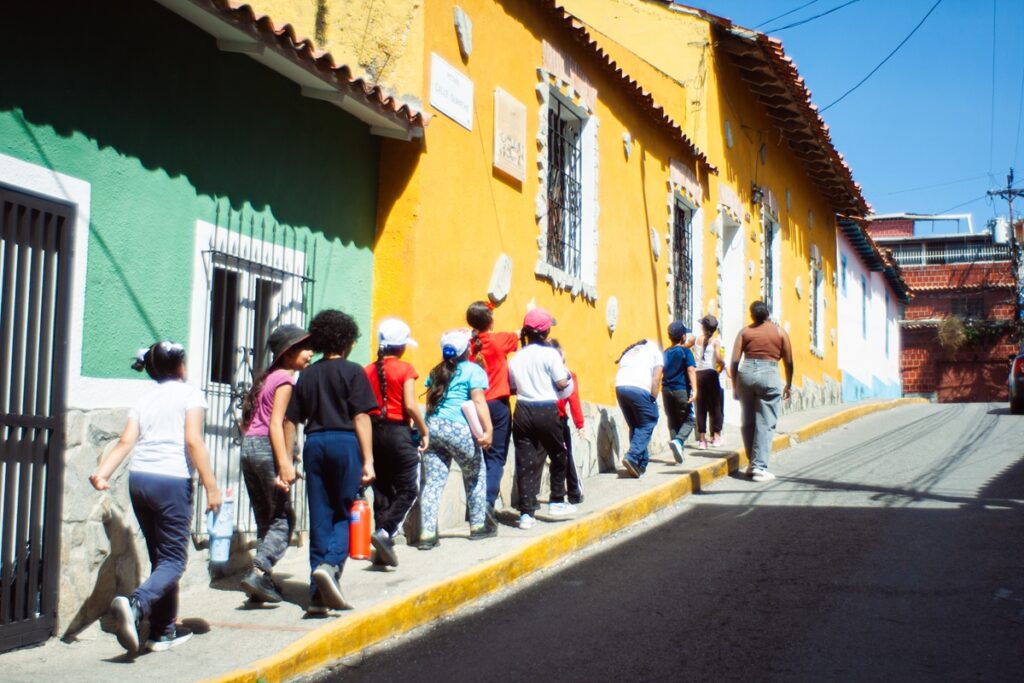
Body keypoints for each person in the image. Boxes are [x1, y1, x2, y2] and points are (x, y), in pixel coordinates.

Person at [89, 341, 222, 653]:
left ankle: (163, 630)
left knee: (161, 558)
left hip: (140, 481)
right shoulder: (190, 394)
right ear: (181, 366)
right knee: (174, 561)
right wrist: (212, 487)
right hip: (171, 481)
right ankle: (137, 605)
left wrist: (102, 473)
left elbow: (125, 441)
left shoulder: (145, 399)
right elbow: (193, 440)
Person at [284, 309, 377, 614]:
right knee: (347, 511)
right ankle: (330, 564)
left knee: (321, 516)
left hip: (315, 444)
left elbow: (290, 420)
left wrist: (287, 458)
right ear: (348, 339)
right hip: (345, 442)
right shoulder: (353, 372)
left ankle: (316, 597)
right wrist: (368, 460)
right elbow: (361, 416)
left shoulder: (306, 375)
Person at [237, 325, 313, 604]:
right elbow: (276, 423)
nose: (310, 353)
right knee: (283, 519)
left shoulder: (268, 377)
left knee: (265, 519)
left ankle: (262, 583)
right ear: (287, 353)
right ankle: (259, 570)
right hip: (268, 448)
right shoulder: (285, 380)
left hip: (249, 448)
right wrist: (285, 463)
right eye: (304, 348)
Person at [418, 330, 494, 549]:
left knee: (433, 482)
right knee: (475, 475)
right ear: (466, 350)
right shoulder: (473, 370)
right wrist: (488, 430)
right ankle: (479, 526)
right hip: (458, 429)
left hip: (433, 428)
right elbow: (479, 402)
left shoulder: (435, 371)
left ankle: (427, 533)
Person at [363, 318, 429, 567]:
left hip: (372, 434)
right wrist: (424, 431)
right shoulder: (405, 369)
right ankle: (385, 532)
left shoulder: (367, 370)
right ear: (401, 347)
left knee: (381, 491)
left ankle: (383, 547)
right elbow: (410, 405)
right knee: (408, 489)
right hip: (398, 432)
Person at [508, 310, 572, 528]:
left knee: (525, 460)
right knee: (558, 453)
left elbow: (513, 387)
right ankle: (556, 500)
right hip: (546, 408)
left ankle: (526, 513)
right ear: (545, 332)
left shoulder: (517, 356)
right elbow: (562, 383)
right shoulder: (550, 355)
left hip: (523, 410)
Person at [466, 301, 519, 522]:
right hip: (497, 405)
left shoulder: (466, 345)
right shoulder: (499, 341)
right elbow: (519, 333)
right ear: (491, 321)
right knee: (495, 458)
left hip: (472, 407)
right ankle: (486, 504)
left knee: (475, 457)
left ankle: (473, 507)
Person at [730, 301, 794, 483]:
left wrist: (735, 385)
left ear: (752, 316)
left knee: (748, 420)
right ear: (767, 314)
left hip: (746, 371)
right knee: (765, 421)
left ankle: (752, 463)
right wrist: (788, 384)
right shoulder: (780, 332)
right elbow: (789, 361)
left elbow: (734, 361)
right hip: (769, 372)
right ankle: (759, 467)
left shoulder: (744, 332)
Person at [615, 338, 664, 478]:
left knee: (636, 426)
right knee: (649, 421)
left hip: (620, 387)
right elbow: (656, 380)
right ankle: (632, 456)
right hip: (639, 387)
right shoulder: (656, 352)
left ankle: (640, 464)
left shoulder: (631, 351)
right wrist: (653, 398)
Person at [549, 340, 584, 505]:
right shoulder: (568, 375)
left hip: (538, 417)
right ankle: (574, 492)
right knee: (566, 455)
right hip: (559, 419)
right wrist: (580, 423)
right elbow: (574, 399)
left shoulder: (543, 374)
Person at [662, 321, 698, 464]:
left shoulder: (665, 353)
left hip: (666, 390)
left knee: (673, 421)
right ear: (683, 336)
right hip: (680, 389)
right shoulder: (685, 352)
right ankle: (678, 441)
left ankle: (678, 452)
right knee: (690, 419)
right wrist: (695, 389)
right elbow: (691, 369)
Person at [693, 315, 727, 449]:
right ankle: (717, 437)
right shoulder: (716, 341)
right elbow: (718, 358)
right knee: (716, 405)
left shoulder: (696, 339)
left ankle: (702, 439)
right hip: (711, 374)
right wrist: (723, 364)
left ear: (703, 327)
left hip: (698, 375)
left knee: (701, 406)